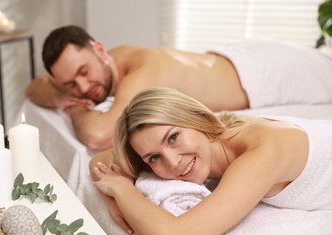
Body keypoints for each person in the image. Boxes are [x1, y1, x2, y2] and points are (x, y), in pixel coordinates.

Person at [90, 87, 332, 235]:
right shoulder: (204, 130)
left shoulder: (261, 152)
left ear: (195, 118)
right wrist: (109, 196)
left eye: (173, 138)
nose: (173, 163)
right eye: (154, 157)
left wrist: (121, 191)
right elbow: (101, 160)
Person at [26, 25, 332, 151]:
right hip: (231, 56)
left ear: (100, 51)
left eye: (84, 72)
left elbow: (99, 135)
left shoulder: (140, 71)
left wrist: (71, 105)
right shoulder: (104, 67)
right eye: (71, 84)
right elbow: (33, 88)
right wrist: (60, 91)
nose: (83, 88)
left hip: (266, 71)